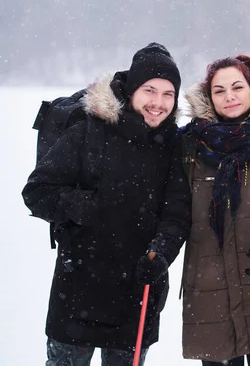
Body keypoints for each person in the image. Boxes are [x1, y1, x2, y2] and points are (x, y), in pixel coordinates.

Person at [22, 43, 191, 366]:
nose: (158, 103)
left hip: (138, 292)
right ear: (131, 91)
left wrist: (161, 255)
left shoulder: (174, 146)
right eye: (149, 90)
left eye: (168, 94)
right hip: (77, 288)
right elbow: (37, 191)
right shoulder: (90, 131)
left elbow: (177, 216)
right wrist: (84, 207)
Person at [151, 55, 250, 365]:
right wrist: (161, 253)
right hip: (210, 292)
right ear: (209, 97)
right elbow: (177, 215)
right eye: (219, 90)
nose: (229, 96)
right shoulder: (189, 147)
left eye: (237, 87)